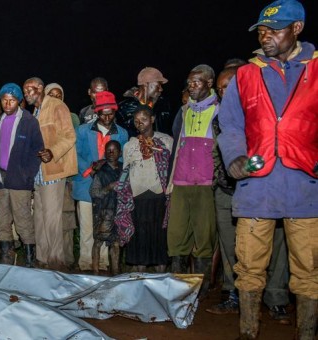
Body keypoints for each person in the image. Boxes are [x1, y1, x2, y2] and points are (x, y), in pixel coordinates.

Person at [218, 1, 317, 338]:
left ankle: (307, 333)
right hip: (256, 183)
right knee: (248, 265)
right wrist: (235, 158)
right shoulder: (246, 75)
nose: (266, 36)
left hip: (304, 181)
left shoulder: (316, 70)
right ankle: (248, 332)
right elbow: (230, 123)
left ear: (297, 29)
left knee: (309, 266)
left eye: (275, 29)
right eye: (262, 30)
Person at [206, 67, 291, 324]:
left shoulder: (263, 112)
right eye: (220, 88)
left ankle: (276, 299)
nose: (224, 91)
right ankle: (234, 296)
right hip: (227, 190)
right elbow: (218, 156)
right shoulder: (219, 119)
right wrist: (220, 183)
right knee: (231, 246)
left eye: (229, 85)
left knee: (276, 245)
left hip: (264, 190)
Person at [167, 64, 219, 298]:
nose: (191, 86)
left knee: (204, 235)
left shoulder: (220, 110)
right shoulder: (184, 110)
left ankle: (202, 288)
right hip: (181, 179)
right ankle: (178, 287)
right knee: (177, 234)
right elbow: (177, 142)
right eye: (189, 82)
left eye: (197, 82)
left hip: (206, 181)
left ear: (210, 83)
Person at [23, 77, 77, 270]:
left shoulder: (56, 105)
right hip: (38, 173)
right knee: (39, 217)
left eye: (31, 88)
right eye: (25, 89)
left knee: (52, 218)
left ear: (41, 88)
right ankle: (42, 258)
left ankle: (56, 261)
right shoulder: (35, 112)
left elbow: (70, 136)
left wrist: (53, 151)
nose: (27, 92)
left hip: (54, 170)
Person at [73, 91, 128, 272]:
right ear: (96, 112)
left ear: (114, 112)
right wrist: (91, 169)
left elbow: (122, 160)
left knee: (107, 223)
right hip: (86, 183)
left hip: (109, 187)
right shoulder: (82, 130)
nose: (106, 117)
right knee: (87, 226)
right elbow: (76, 154)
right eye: (103, 113)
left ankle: (103, 262)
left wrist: (108, 174)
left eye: (110, 113)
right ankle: (86, 262)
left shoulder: (122, 133)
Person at [116, 106, 173, 274]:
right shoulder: (130, 145)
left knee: (158, 237)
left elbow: (171, 168)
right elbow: (126, 173)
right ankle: (140, 275)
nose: (140, 123)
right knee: (139, 236)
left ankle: (161, 275)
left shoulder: (166, 141)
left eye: (144, 119)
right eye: (136, 121)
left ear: (153, 119)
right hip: (138, 196)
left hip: (159, 195)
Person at [0, 83, 43, 266]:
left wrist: (27, 175)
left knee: (23, 222)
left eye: (12, 100)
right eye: (4, 100)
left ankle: (30, 263)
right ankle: (6, 261)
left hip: (20, 181)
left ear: (19, 101)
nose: (7, 104)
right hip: (1, 179)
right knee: (3, 223)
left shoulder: (29, 121)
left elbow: (38, 150)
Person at [44, 83, 79, 267]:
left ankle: (68, 258)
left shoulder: (70, 116)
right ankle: (60, 259)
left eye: (59, 94)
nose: (55, 97)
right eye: (51, 94)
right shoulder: (42, 116)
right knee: (54, 218)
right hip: (51, 175)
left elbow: (72, 143)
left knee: (67, 219)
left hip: (67, 174)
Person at [89, 141, 122, 275]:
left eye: (114, 150)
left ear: (120, 153)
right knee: (98, 241)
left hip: (118, 212)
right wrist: (108, 187)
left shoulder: (123, 169)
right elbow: (93, 192)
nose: (111, 153)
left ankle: (115, 271)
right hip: (103, 212)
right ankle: (95, 271)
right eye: (108, 150)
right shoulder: (101, 172)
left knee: (115, 243)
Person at [117, 67, 173, 137]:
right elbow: (137, 129)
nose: (161, 89)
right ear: (146, 85)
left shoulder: (162, 104)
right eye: (158, 86)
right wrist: (145, 103)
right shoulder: (126, 107)